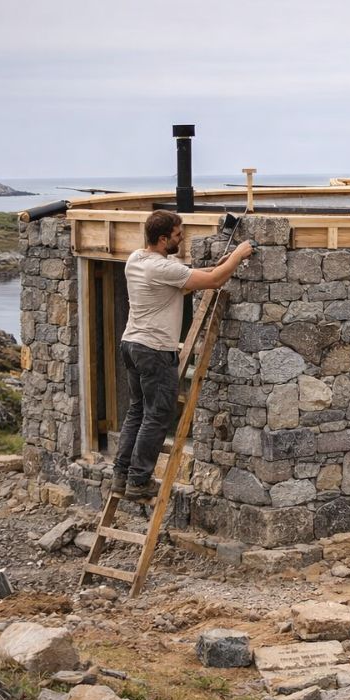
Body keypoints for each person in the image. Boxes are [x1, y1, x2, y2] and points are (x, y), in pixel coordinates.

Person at [112, 210, 253, 501]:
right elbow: (213, 281)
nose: (181, 239)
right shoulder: (163, 268)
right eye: (177, 235)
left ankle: (121, 475)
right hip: (154, 350)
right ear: (163, 239)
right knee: (157, 415)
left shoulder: (136, 259)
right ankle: (138, 482)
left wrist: (218, 267)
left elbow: (185, 285)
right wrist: (239, 254)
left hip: (131, 344)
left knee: (137, 411)